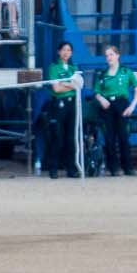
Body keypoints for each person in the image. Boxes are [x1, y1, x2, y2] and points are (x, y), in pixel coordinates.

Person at [92, 44, 137, 175]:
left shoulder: (126, 72)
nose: (109, 57)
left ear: (118, 55)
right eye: (107, 55)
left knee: (123, 137)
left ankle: (128, 167)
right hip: (107, 106)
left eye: (111, 54)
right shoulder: (102, 75)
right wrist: (102, 99)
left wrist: (132, 106)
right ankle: (113, 168)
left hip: (122, 105)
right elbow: (96, 92)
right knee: (109, 138)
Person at [42, 41, 81, 179]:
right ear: (59, 52)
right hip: (59, 104)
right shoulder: (53, 68)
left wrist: (65, 83)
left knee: (71, 138)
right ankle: (54, 168)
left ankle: (71, 169)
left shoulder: (73, 68)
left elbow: (79, 86)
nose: (66, 53)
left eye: (69, 50)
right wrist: (71, 85)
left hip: (72, 105)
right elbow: (56, 89)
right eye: (63, 50)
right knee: (57, 136)